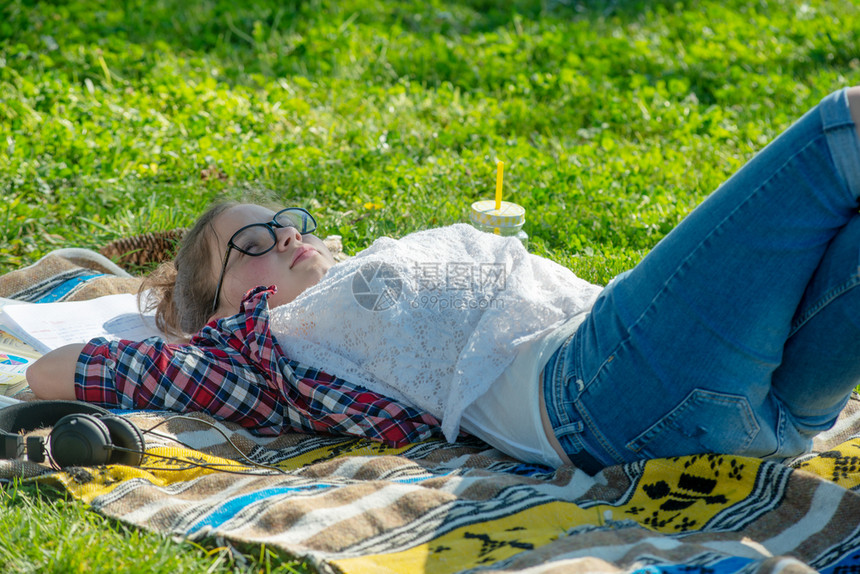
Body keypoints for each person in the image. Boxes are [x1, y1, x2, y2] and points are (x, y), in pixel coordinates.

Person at [26, 87, 860, 474]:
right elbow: (48, 373)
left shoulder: (334, 281)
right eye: (250, 240)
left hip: (770, 420)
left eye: (288, 223)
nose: (285, 235)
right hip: (605, 391)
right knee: (841, 130)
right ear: (225, 307)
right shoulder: (252, 348)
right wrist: (184, 345)